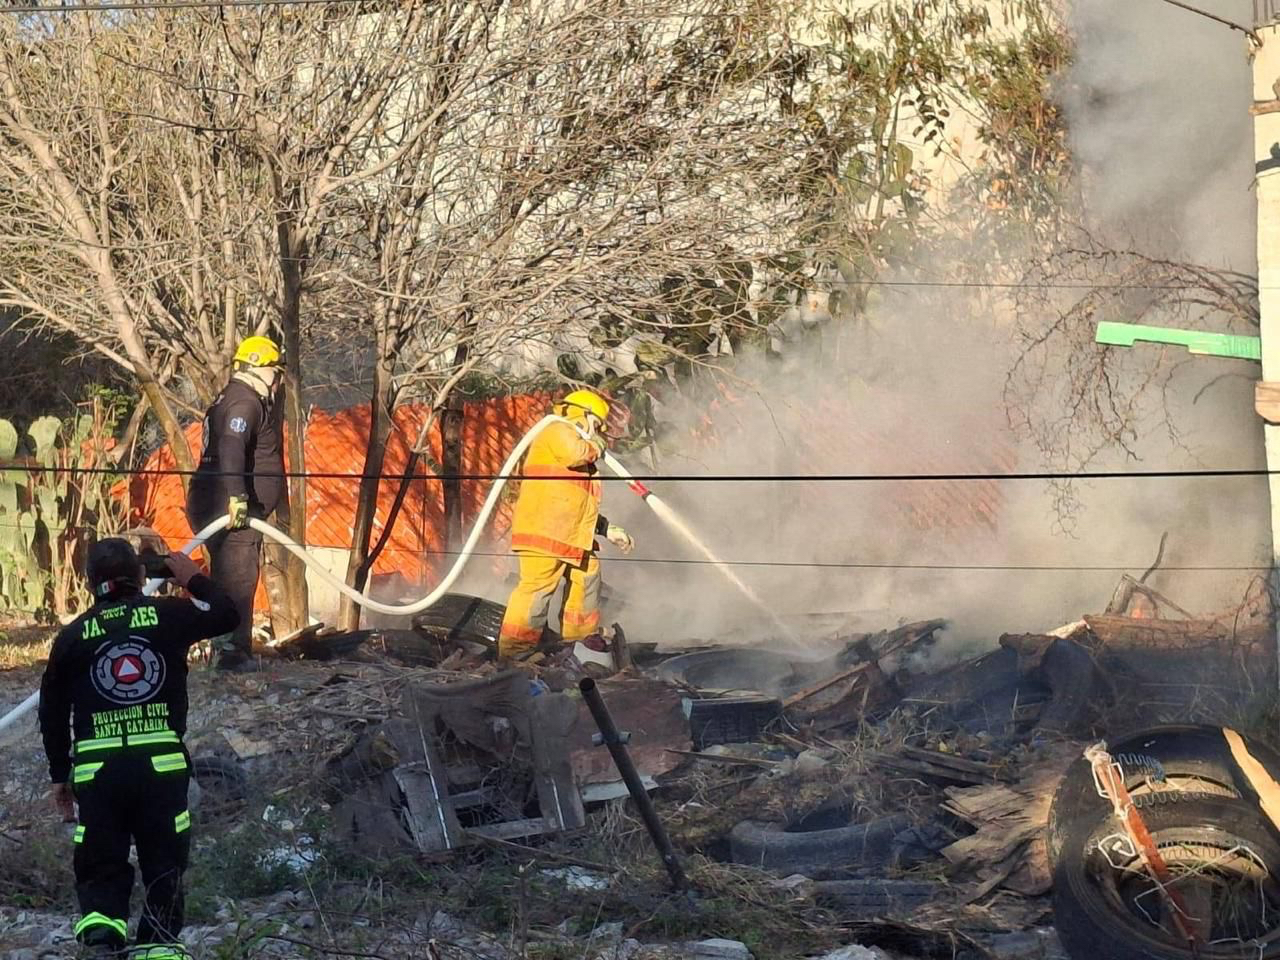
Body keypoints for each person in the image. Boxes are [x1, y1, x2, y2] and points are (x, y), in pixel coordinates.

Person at [38, 538, 239, 959]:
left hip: (98, 772)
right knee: (163, 861)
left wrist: (60, 774)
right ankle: (159, 947)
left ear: (89, 581)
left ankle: (101, 939)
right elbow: (227, 614)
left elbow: (52, 709)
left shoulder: (73, 636)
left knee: (101, 860)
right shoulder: (169, 616)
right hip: (160, 770)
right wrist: (193, 578)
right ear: (142, 576)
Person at [497, 390, 634, 662]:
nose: (597, 432)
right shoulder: (556, 430)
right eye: (596, 424)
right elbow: (575, 453)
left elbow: (577, 503)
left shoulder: (575, 445)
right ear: (580, 413)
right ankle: (515, 655)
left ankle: (579, 643)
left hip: (570, 537)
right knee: (537, 590)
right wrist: (596, 444)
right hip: (545, 534)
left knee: (588, 574)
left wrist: (608, 530)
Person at [185, 335, 285, 672]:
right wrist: (237, 497)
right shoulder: (245, 403)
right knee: (237, 580)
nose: (277, 378)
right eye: (275, 371)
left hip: (219, 503)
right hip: (228, 508)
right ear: (258, 368)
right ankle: (231, 656)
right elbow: (231, 446)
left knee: (231, 577)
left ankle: (227, 648)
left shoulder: (232, 397)